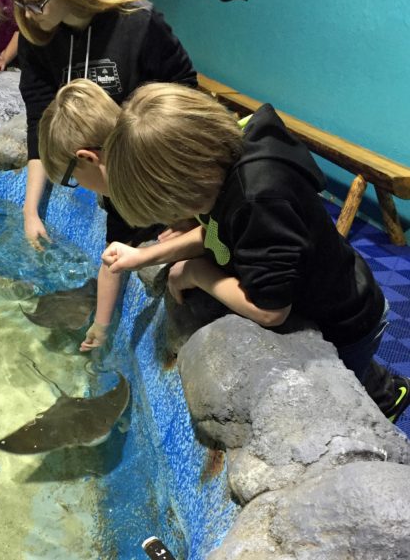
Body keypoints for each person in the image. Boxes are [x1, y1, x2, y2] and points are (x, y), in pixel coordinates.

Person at [101, 83, 410, 423]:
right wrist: (144, 256)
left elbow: (270, 310)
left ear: (182, 189)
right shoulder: (228, 157)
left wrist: (196, 273)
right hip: (341, 278)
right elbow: (214, 231)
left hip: (344, 318)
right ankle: (379, 378)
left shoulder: (257, 201)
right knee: (362, 364)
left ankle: (387, 400)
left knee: (345, 386)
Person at [4, 0, 197, 249]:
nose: (29, 13)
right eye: (20, 2)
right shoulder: (36, 38)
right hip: (106, 185)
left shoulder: (137, 24)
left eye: (36, 1)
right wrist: (30, 210)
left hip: (150, 175)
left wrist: (187, 212)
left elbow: (184, 103)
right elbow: (40, 124)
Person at [39, 78, 163, 351]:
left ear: (88, 159)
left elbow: (207, 220)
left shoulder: (159, 158)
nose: (78, 186)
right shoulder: (116, 195)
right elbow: (112, 258)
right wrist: (101, 325)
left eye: (72, 178)